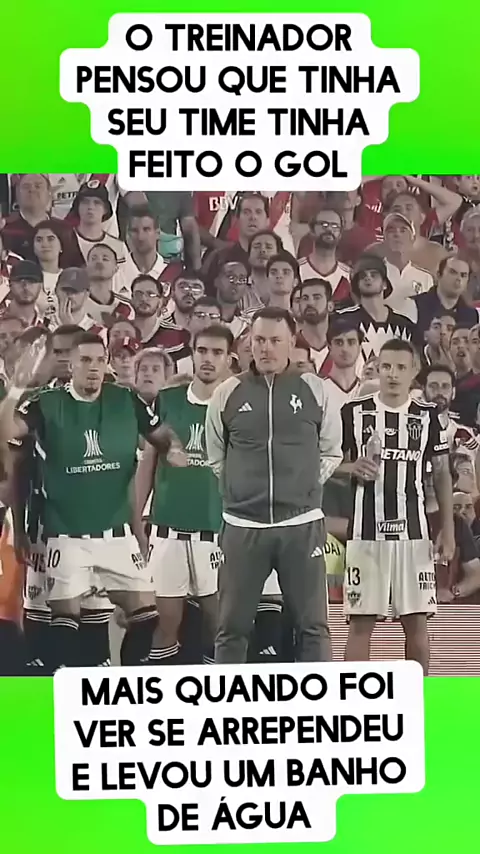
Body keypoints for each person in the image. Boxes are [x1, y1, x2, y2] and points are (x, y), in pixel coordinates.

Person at [0, 331, 186, 671]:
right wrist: (15, 390)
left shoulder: (125, 400)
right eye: (85, 360)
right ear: (70, 364)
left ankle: (123, 686)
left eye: (100, 360)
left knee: (147, 618)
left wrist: (173, 449)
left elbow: (161, 434)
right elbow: (7, 431)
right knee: (65, 627)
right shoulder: (47, 403)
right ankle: (61, 693)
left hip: (116, 535)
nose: (94, 367)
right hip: (65, 535)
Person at [205, 306, 343, 663]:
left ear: (291, 342)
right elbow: (216, 457)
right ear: (249, 342)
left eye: (275, 340)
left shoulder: (316, 390)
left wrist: (303, 487)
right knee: (231, 627)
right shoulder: (227, 392)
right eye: (259, 340)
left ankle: (319, 696)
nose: (265, 348)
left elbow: (331, 451)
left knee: (313, 626)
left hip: (301, 524)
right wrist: (241, 490)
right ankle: (227, 699)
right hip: (243, 526)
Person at [340, 338, 455, 674]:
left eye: (401, 367)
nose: (392, 374)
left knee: (417, 623)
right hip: (365, 535)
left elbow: (442, 474)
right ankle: (355, 700)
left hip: (414, 535)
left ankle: (420, 698)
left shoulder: (428, 417)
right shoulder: (353, 412)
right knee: (361, 623)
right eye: (386, 366)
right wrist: (351, 467)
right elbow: (326, 463)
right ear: (377, 368)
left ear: (414, 371)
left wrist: (448, 530)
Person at [134, 325, 234, 665]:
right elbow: (147, 466)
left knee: (218, 623)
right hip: (167, 531)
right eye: (202, 350)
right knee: (165, 624)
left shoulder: (236, 406)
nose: (208, 358)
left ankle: (219, 690)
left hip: (216, 532)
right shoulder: (167, 400)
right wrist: (137, 523)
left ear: (229, 358)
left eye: (217, 352)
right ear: (192, 353)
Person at [337, 255, 414, 364]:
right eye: (362, 276)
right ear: (357, 285)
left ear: (385, 284)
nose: (368, 278)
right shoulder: (343, 320)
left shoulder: (404, 325)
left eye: (374, 275)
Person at [298, 208, 351, 306]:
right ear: (312, 231)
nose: (329, 229)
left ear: (340, 234)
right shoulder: (296, 270)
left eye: (335, 226)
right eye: (324, 225)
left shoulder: (349, 275)